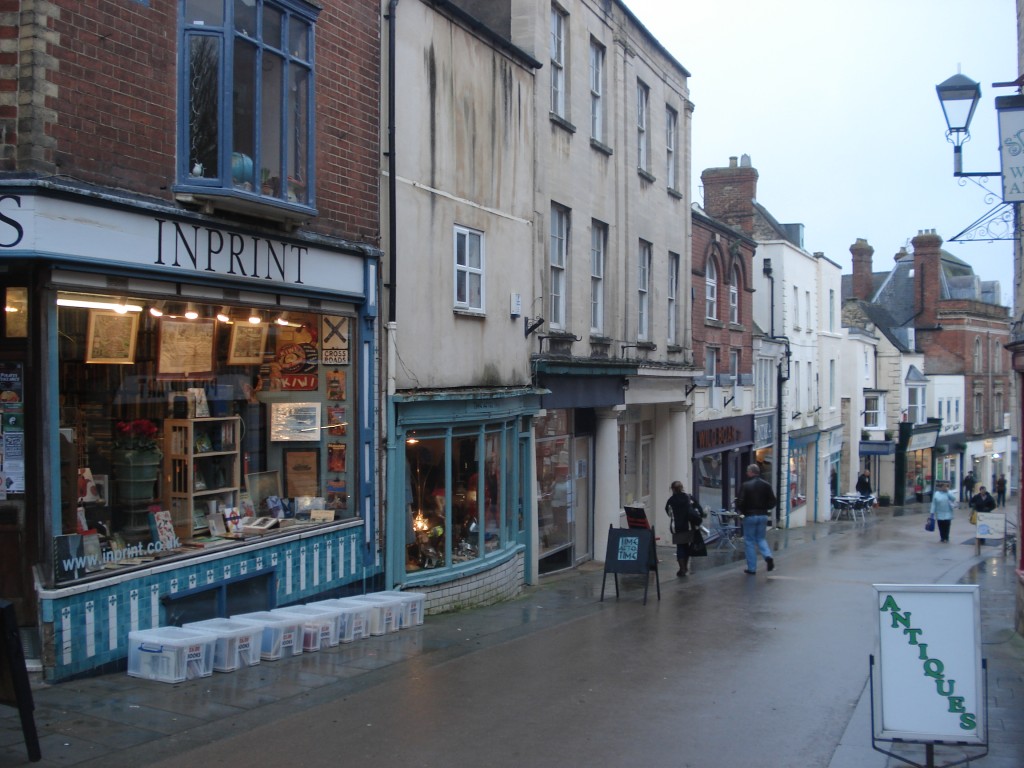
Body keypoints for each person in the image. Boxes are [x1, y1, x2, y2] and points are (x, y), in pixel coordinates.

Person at [736, 464, 777, 575]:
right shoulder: (766, 485)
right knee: (761, 539)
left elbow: (740, 502)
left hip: (750, 515)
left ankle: (752, 568)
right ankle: (768, 556)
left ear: (751, 472)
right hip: (763, 515)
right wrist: (765, 508)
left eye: (747, 471)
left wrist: (744, 512)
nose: (746, 473)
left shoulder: (745, 485)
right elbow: (773, 501)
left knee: (749, 541)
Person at [664, 480, 700, 577]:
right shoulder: (688, 497)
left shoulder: (671, 500)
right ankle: (685, 566)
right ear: (682, 487)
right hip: (688, 526)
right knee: (687, 546)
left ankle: (682, 568)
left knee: (680, 547)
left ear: (672, 489)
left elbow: (668, 512)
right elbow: (698, 508)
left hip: (677, 527)